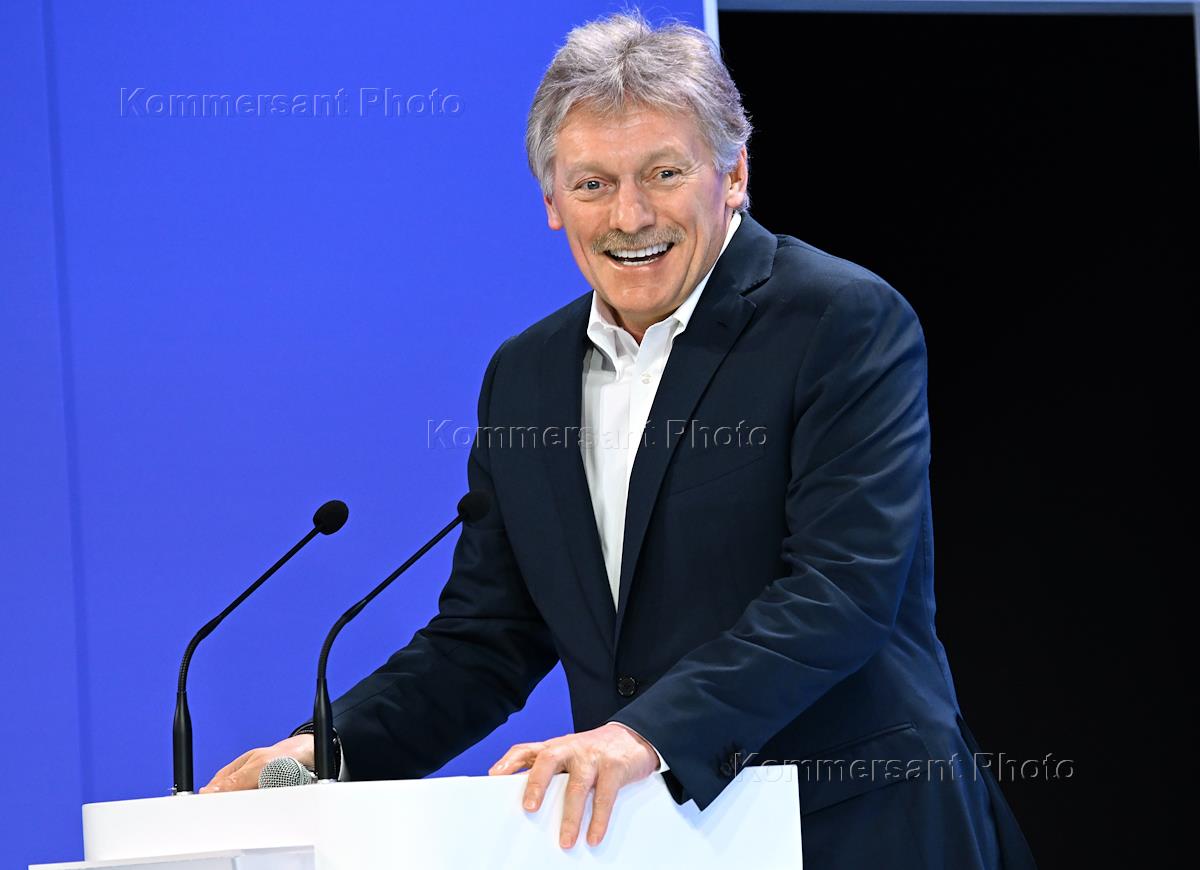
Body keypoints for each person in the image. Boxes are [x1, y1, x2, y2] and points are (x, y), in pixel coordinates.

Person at [203, 12, 1036, 868]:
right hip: (654, 842)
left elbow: (841, 590)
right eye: (593, 184)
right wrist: (324, 754)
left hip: (857, 826)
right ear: (551, 203)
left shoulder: (839, 322)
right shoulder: (525, 375)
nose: (630, 215)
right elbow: (488, 636)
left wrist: (643, 735)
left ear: (735, 174)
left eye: (663, 173)